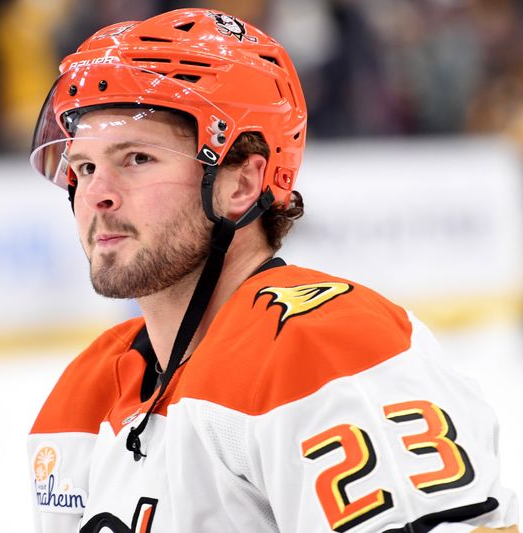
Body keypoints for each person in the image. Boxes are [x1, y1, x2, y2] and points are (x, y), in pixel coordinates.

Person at [27, 8, 519, 533]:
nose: (96, 194)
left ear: (241, 184)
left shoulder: (324, 352)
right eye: (84, 167)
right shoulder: (81, 401)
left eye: (137, 159)